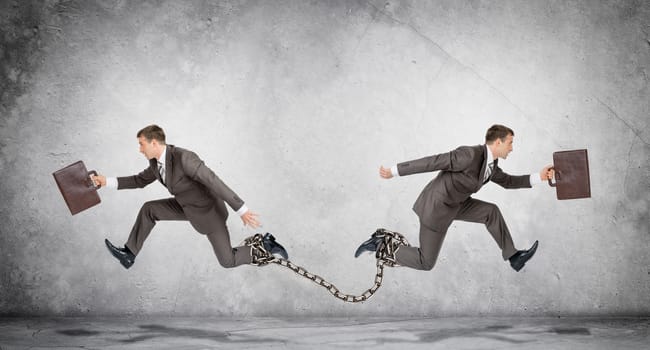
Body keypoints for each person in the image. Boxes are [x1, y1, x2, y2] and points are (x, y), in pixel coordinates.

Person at [355, 124, 553, 272]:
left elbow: (508, 182)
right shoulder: (469, 155)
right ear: (498, 142)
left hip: (457, 204)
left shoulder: (491, 166)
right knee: (426, 262)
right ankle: (380, 244)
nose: (512, 148)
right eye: (510, 143)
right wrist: (394, 171)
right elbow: (432, 162)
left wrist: (540, 177)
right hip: (436, 208)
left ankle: (514, 257)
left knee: (490, 212)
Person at [92, 124, 288, 269]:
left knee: (227, 261)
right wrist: (104, 181)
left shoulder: (184, 158)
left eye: (142, 144)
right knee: (149, 209)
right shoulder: (155, 163)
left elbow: (213, 181)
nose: (140, 149)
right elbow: (138, 181)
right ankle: (129, 253)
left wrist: (242, 210)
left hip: (208, 212)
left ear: (154, 142)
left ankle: (266, 245)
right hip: (185, 206)